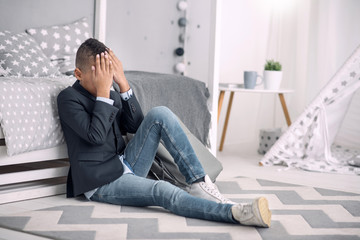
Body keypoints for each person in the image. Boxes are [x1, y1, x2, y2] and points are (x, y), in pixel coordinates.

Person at [57, 38, 271, 228]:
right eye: (100, 76)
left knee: (160, 114)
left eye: (108, 74)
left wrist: (122, 83)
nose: (106, 81)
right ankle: (235, 213)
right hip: (100, 181)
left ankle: (199, 183)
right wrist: (104, 93)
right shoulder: (68, 98)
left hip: (125, 162)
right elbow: (95, 136)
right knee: (162, 190)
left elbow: (136, 126)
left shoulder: (109, 93)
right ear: (78, 74)